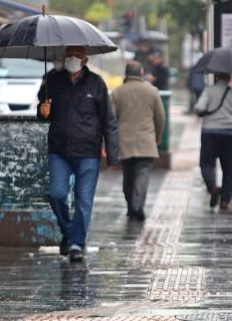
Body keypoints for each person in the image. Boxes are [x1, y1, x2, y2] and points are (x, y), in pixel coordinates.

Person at [37, 46, 119, 262]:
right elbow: (42, 109)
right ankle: (69, 232)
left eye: (76, 56)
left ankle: (75, 243)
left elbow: (108, 121)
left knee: (83, 201)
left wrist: (112, 154)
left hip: (88, 152)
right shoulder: (53, 80)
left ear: (85, 60)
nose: (71, 59)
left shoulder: (97, 83)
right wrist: (42, 110)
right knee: (56, 194)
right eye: (68, 56)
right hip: (59, 150)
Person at [111, 60, 165, 221]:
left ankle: (130, 206)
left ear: (126, 74)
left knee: (128, 176)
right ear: (141, 73)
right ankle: (137, 205)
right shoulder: (152, 91)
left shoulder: (117, 92)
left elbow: (111, 119)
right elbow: (161, 117)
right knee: (143, 174)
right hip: (146, 141)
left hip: (125, 142)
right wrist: (158, 137)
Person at [195, 72, 232, 210]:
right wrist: (231, 119)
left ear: (217, 77)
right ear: (229, 78)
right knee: (229, 168)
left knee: (206, 163)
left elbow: (199, 108)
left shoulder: (208, 90)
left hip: (209, 133)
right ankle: (225, 201)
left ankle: (212, 187)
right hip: (229, 134)